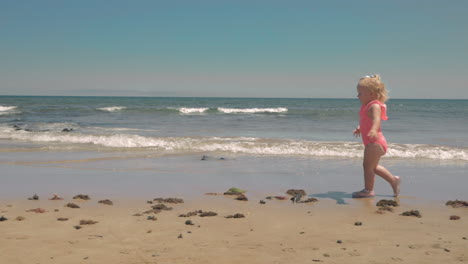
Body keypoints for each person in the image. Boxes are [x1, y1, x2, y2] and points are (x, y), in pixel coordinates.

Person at [352, 74, 400, 198]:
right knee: (373, 167)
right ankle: (393, 180)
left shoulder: (374, 105)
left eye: (360, 93)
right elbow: (365, 121)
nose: (358, 96)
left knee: (367, 167)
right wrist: (360, 128)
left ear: (371, 93)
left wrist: (373, 130)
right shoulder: (366, 106)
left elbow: (376, 120)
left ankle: (368, 190)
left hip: (375, 143)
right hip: (374, 143)